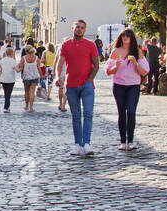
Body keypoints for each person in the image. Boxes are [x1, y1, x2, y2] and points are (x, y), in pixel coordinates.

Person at [106, 29, 150, 151]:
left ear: (132, 38)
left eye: (128, 35)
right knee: (121, 113)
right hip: (119, 85)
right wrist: (116, 66)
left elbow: (145, 71)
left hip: (133, 85)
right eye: (123, 35)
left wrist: (135, 63)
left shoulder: (137, 52)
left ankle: (130, 140)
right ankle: (122, 141)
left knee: (131, 111)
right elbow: (108, 71)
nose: (125, 37)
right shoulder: (116, 52)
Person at [60, 19, 99, 155]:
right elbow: (61, 61)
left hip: (87, 85)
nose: (80, 29)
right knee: (76, 116)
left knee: (88, 114)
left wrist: (89, 80)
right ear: (73, 28)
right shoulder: (65, 45)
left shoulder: (90, 45)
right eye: (78, 27)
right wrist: (58, 76)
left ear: (85, 30)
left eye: (82, 27)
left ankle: (86, 143)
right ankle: (77, 144)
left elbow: (96, 64)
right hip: (71, 85)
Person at [20, 45, 41, 111]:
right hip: (34, 76)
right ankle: (31, 107)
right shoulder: (36, 58)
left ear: (26, 51)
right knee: (32, 92)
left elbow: (21, 68)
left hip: (26, 76)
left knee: (26, 92)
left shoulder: (23, 58)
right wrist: (41, 75)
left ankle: (26, 106)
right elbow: (39, 68)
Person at [0, 44, 18, 110]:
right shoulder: (13, 61)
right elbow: (17, 70)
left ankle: (6, 106)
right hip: (11, 79)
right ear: (12, 53)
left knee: (5, 92)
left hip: (3, 78)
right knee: (8, 94)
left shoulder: (2, 60)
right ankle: (6, 107)